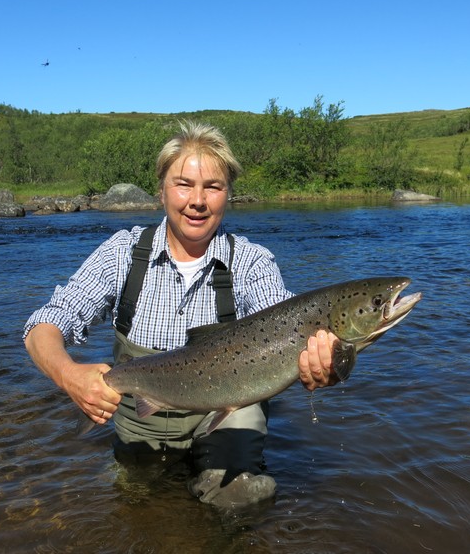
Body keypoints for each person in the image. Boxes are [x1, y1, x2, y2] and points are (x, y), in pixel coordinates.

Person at [23, 121, 340, 508]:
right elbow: (44, 324)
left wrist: (328, 360)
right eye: (184, 184)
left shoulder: (252, 262)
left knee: (244, 497)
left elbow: (288, 322)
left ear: (228, 195)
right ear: (161, 191)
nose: (198, 200)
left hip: (225, 417)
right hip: (144, 423)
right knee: (136, 506)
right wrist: (69, 375)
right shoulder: (122, 254)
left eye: (213, 187)